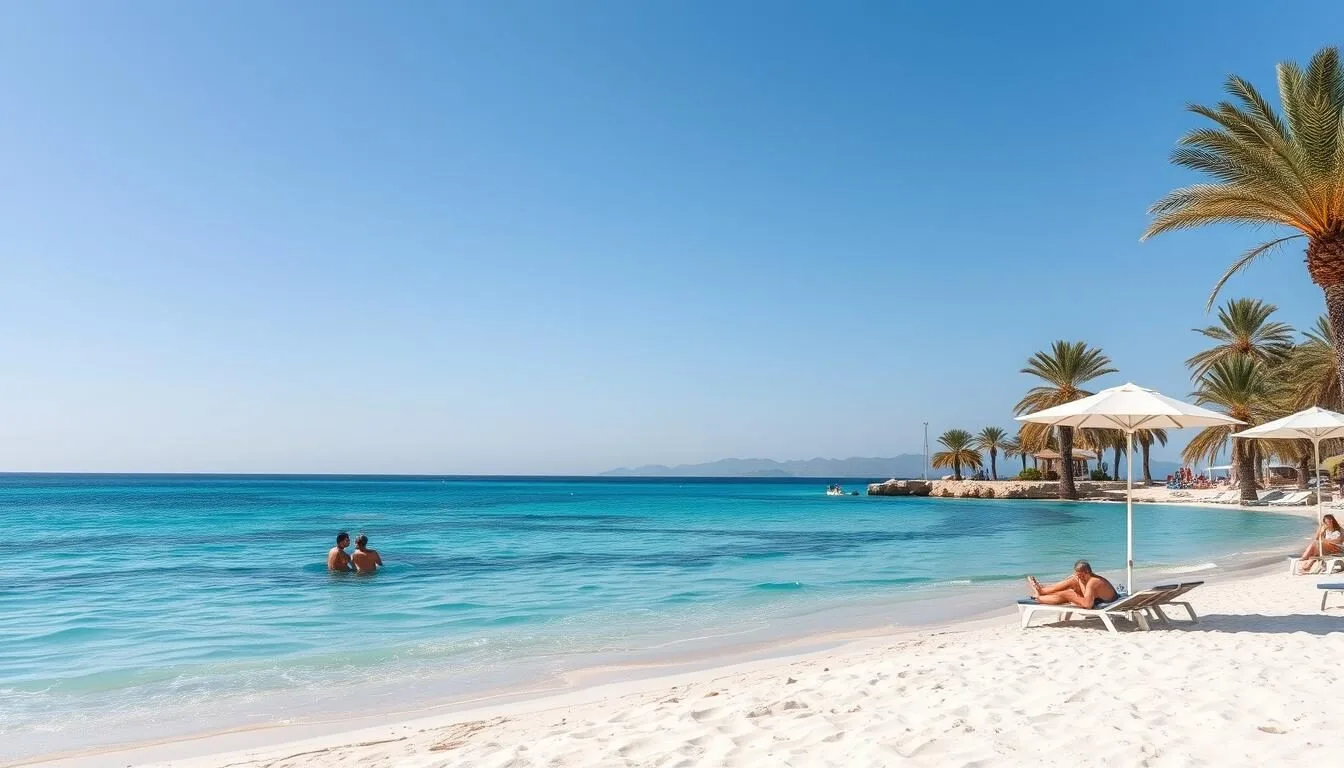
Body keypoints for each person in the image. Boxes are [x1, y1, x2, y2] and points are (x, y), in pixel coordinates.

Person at [1026, 560, 1118, 609]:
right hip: (1096, 599)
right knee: (1072, 581)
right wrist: (1078, 580)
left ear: (1086, 572)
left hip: (1103, 602)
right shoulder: (1091, 578)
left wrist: (1073, 590)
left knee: (1068, 593)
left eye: (1079, 574)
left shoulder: (1093, 582)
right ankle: (1042, 591)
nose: (1078, 576)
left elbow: (1088, 605)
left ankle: (1039, 596)